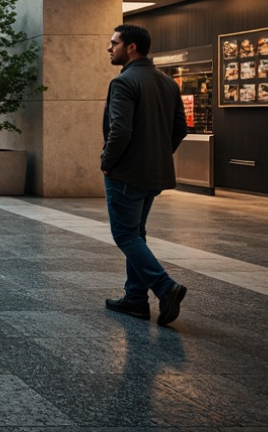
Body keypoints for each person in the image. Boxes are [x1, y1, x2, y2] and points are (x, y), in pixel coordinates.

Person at [102, 24, 189, 325]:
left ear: (131, 48)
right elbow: (180, 129)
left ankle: (165, 287)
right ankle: (136, 299)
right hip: (153, 174)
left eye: (114, 43)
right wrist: (158, 155)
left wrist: (107, 161)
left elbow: (120, 131)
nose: (109, 48)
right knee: (136, 233)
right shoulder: (168, 82)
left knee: (125, 234)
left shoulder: (124, 82)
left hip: (126, 173)